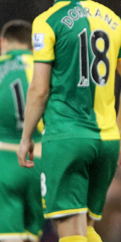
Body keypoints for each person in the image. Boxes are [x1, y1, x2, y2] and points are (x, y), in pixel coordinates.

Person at [17, 0, 121, 242]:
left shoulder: (46, 22)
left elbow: (39, 89)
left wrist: (26, 138)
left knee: (70, 232)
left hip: (67, 138)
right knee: (87, 228)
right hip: (107, 140)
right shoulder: (113, 20)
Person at [0, 20, 44, 242]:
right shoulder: (46, 67)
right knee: (32, 237)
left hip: (4, 161)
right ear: (32, 46)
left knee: (8, 237)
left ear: (3, 42)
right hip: (40, 163)